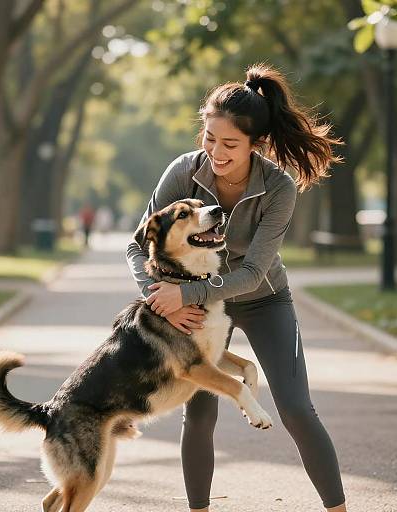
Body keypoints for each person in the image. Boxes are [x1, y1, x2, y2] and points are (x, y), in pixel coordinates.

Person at [126, 63, 347, 512]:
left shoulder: (278, 188)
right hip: (200, 310)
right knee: (200, 413)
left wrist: (184, 294)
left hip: (263, 300)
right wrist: (159, 297)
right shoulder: (184, 172)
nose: (216, 152)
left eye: (230, 144)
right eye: (209, 139)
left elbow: (251, 274)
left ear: (256, 144)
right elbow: (138, 243)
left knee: (297, 410)